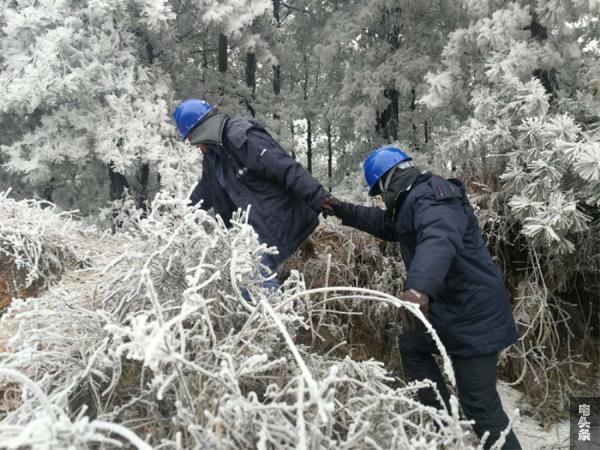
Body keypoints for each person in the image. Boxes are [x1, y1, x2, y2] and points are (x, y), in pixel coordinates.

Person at [325, 146, 521, 449]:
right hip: (454, 312)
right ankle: (442, 424)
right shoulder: (413, 202)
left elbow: (439, 237)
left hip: (473, 318)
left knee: (481, 407)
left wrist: (419, 287)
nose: (380, 199)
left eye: (379, 192)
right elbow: (384, 225)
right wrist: (340, 209)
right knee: (412, 346)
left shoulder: (432, 196)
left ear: (390, 180)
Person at [173, 99, 332, 292]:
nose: (193, 145)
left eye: (191, 138)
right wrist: (182, 212)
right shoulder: (213, 155)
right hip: (254, 229)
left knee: (252, 278)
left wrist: (320, 197)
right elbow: (205, 189)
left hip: (276, 220)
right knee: (245, 275)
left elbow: (284, 167)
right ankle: (273, 313)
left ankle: (276, 318)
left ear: (201, 130)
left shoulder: (241, 137)